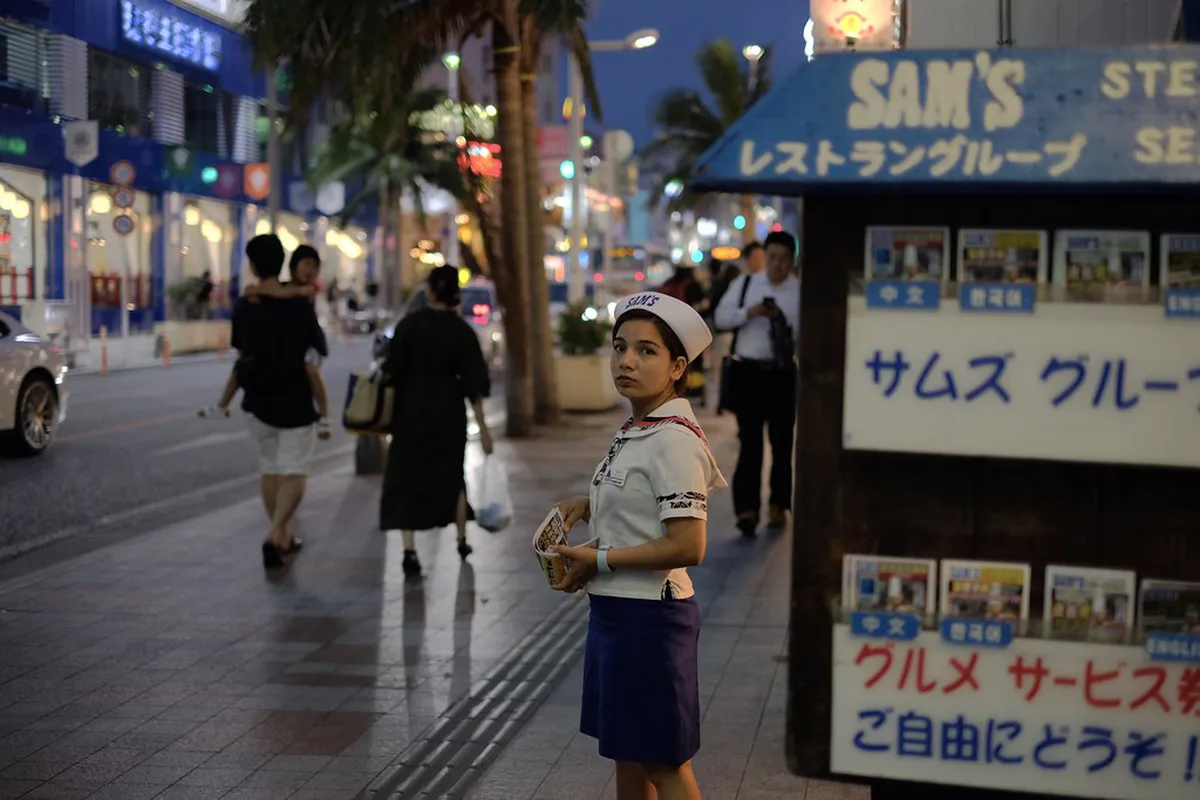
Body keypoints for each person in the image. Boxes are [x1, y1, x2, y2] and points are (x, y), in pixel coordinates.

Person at [551, 292, 726, 800]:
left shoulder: (673, 437)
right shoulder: (639, 426)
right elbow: (644, 503)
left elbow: (688, 545)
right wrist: (587, 504)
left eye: (646, 351)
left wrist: (597, 559)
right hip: (618, 613)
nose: (627, 360)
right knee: (627, 754)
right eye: (620, 347)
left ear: (676, 367)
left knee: (664, 764)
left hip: (650, 619)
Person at [380, 265, 494, 578]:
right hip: (448, 414)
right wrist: (483, 429)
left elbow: (390, 370)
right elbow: (474, 386)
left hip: (410, 413)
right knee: (453, 476)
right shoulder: (462, 332)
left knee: (406, 479)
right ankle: (461, 539)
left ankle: (409, 550)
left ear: (430, 291)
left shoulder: (409, 326)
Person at [232, 234, 330, 569]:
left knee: (270, 468)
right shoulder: (298, 304)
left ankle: (283, 536)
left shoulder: (246, 304)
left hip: (258, 398)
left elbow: (240, 349)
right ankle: (275, 533)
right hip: (296, 397)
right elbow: (315, 350)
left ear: (254, 266)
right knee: (295, 470)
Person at [713, 230, 800, 538]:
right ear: (765, 257)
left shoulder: (798, 292)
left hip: (782, 374)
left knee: (782, 442)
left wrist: (782, 324)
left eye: (784, 259)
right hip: (749, 373)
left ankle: (779, 504)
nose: (777, 264)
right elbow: (721, 317)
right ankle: (746, 510)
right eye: (773, 257)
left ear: (792, 261)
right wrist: (748, 313)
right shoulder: (747, 285)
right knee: (750, 443)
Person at [200, 245, 329, 422]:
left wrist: (256, 290)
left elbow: (289, 292)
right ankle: (223, 404)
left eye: (315, 267)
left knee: (310, 368)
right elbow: (278, 292)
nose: (310, 270)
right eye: (306, 264)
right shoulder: (284, 288)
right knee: (245, 362)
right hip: (293, 343)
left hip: (313, 344)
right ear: (293, 265)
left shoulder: (307, 289)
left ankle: (324, 415)